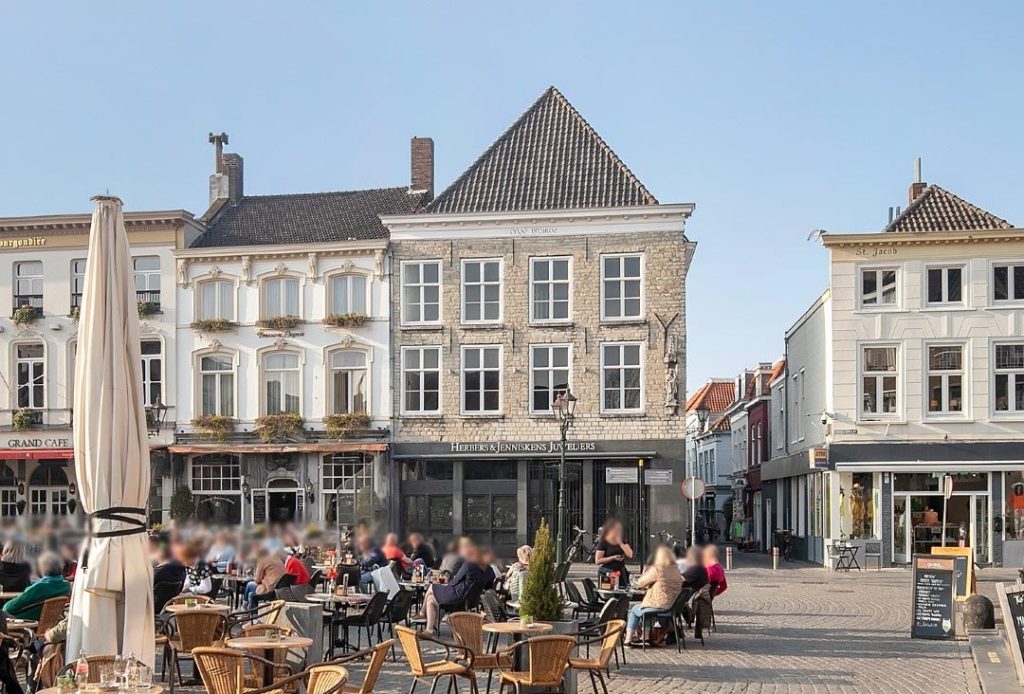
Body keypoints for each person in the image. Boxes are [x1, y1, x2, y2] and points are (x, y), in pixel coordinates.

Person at [624, 545, 683, 644]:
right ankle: (645, 636)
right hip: (671, 605)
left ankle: (628, 639)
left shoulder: (658, 569)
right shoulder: (676, 570)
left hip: (659, 604)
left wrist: (643, 574)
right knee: (645, 608)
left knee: (634, 609)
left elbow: (640, 583)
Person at [423, 542, 487, 633]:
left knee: (432, 587)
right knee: (430, 599)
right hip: (472, 599)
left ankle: (427, 623)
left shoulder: (468, 565)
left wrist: (446, 585)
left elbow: (456, 580)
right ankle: (432, 625)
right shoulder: (485, 568)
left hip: (459, 596)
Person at [3, 553, 69, 622]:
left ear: (43, 568)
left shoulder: (39, 588)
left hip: (26, 622)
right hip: (49, 623)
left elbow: (8, 608)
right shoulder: (65, 586)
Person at [595, 520, 633, 584]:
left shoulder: (622, 541)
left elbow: (630, 554)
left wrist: (621, 543)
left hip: (621, 571)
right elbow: (598, 560)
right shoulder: (604, 542)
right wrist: (613, 558)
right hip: (608, 571)